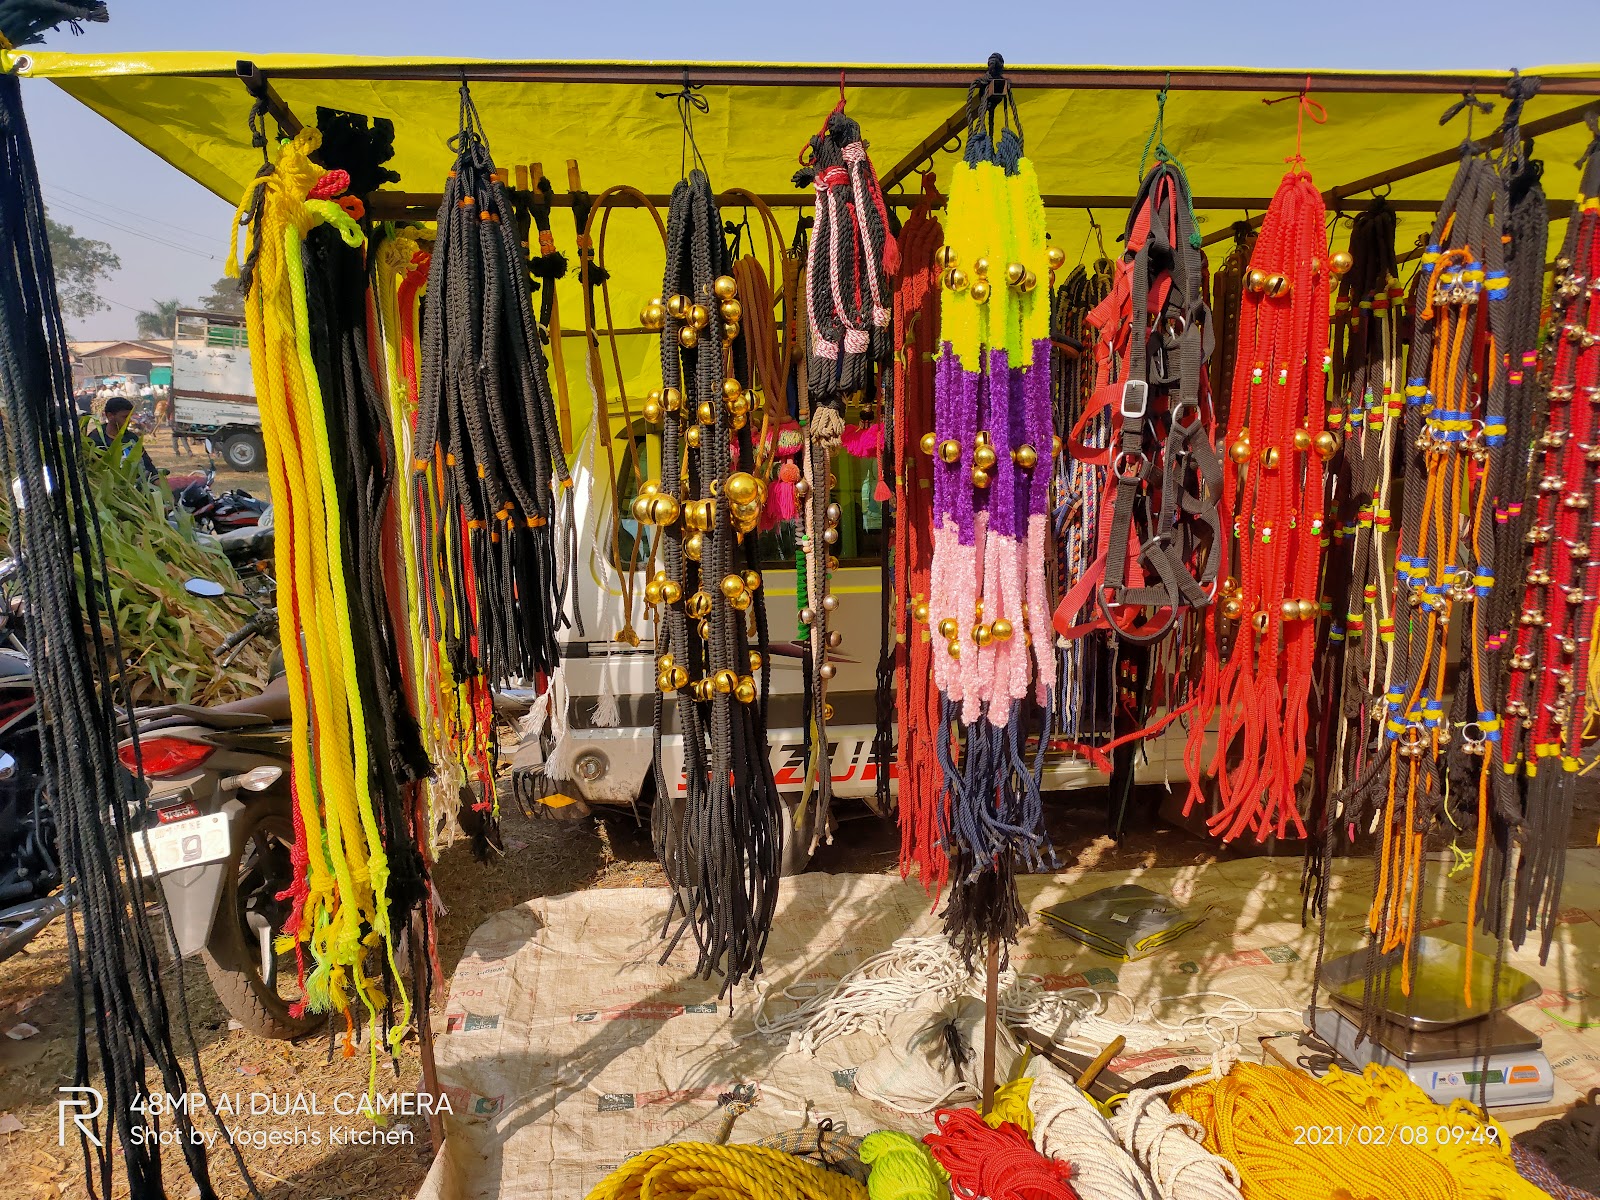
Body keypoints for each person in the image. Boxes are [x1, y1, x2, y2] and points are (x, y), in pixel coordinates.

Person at [93, 396, 158, 480]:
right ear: (110, 416)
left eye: (130, 417)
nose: (129, 420)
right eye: (125, 417)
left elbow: (147, 465)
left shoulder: (131, 438)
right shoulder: (96, 441)